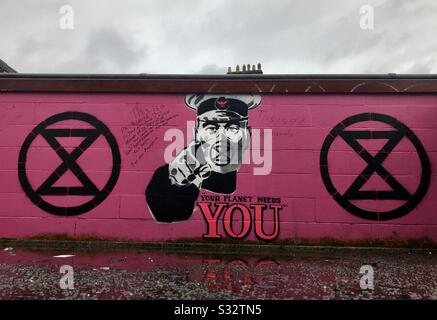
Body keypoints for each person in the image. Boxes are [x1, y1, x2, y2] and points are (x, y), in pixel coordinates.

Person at [146, 94, 261, 223]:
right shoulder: (178, 172)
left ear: (248, 135)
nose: (221, 137)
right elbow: (167, 212)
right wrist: (171, 182)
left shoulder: (261, 181)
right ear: (196, 134)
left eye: (232, 128)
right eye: (211, 128)